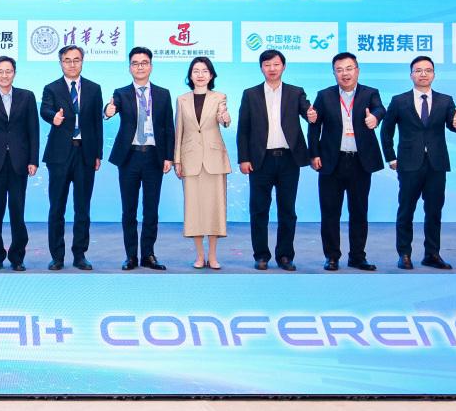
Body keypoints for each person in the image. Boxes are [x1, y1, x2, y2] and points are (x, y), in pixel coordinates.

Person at [379, 55, 456, 269]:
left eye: (428, 70)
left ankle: (432, 254)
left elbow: (453, 125)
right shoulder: (399, 100)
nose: (423, 74)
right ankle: (404, 254)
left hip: (436, 164)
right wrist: (391, 157)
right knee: (406, 210)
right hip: (408, 164)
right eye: (418, 70)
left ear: (434, 74)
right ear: (411, 75)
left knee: (434, 211)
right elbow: (386, 131)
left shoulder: (445, 100)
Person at [235, 49, 315, 271]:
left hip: (289, 159)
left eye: (276, 64)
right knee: (259, 210)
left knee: (287, 210)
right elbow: (243, 129)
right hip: (260, 160)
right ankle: (261, 255)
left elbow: (307, 111)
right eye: (267, 65)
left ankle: (285, 256)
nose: (272, 69)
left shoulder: (295, 92)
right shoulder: (250, 94)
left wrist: (311, 114)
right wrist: (243, 158)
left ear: (283, 67)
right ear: (261, 68)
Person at [308, 51, 386, 271]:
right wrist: (314, 154)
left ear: (357, 70)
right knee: (330, 212)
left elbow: (380, 108)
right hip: (331, 162)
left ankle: (358, 257)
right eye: (339, 70)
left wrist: (375, 117)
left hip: (360, 162)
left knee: (359, 211)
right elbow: (314, 126)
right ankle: (332, 256)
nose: (345, 74)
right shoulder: (324, 95)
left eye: (349, 68)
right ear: (334, 73)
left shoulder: (370, 93)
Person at [104, 47, 174, 270]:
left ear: (151, 66)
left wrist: (169, 156)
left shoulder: (163, 94)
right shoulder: (121, 93)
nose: (140, 67)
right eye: (135, 63)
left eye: (144, 63)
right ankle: (131, 256)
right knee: (129, 210)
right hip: (129, 157)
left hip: (154, 156)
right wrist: (108, 111)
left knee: (151, 210)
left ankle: (149, 255)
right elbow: (109, 109)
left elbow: (168, 127)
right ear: (129, 68)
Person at [39, 45, 104, 270]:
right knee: (57, 207)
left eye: (76, 59)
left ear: (82, 62)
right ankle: (57, 256)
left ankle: (80, 255)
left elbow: (97, 123)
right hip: (59, 155)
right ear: (61, 63)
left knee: (82, 208)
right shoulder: (51, 88)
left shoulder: (94, 89)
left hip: (85, 154)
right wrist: (53, 118)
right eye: (67, 60)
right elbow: (45, 110)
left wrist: (98, 154)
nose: (72, 64)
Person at [0, 55, 40, 271]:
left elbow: (33, 130)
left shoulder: (27, 96)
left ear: (14, 73)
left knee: (17, 211)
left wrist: (33, 159)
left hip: (20, 162)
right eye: (0, 71)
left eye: (8, 71)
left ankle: (17, 257)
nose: (4, 75)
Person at [174, 55, 232, 269]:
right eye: (196, 71)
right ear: (190, 75)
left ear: (211, 75)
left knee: (215, 209)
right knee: (194, 209)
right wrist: (177, 160)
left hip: (214, 159)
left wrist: (225, 117)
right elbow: (179, 130)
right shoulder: (182, 99)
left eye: (205, 71)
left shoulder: (219, 97)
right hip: (190, 159)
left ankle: (213, 256)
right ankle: (199, 256)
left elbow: (223, 118)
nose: (200, 75)